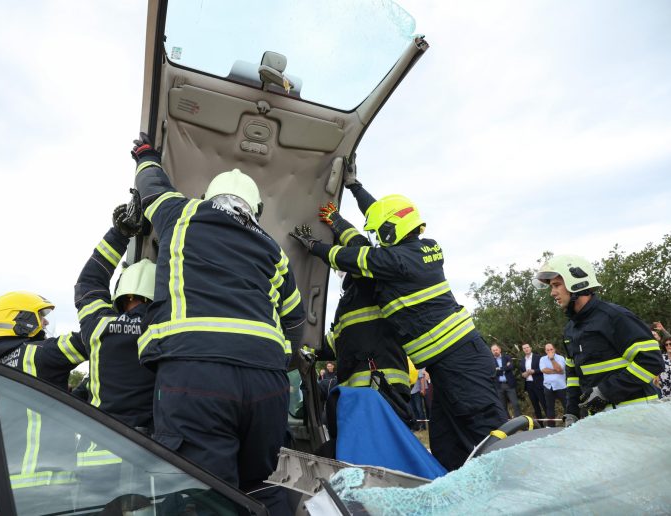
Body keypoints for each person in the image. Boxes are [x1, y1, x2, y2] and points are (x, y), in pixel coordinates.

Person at [131, 133, 305, 515]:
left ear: (210, 197)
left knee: (204, 496)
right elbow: (295, 321)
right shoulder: (273, 250)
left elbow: (151, 185)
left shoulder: (180, 215)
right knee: (261, 486)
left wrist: (146, 155)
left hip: (196, 376)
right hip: (266, 383)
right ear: (254, 210)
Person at [290, 171, 505, 471]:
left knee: (491, 440)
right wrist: (354, 187)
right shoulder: (420, 249)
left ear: (391, 232)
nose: (378, 239)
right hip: (448, 366)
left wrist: (314, 246)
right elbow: (377, 220)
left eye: (381, 234)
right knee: (446, 447)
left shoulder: (393, 262)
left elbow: (350, 256)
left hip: (461, 363)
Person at [0, 292, 89, 514]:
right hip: (41, 490)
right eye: (41, 315)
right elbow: (92, 339)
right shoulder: (39, 355)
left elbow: (48, 408)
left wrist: (84, 388)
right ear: (21, 320)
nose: (46, 321)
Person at [533, 254, 663, 426]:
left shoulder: (614, 317)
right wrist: (572, 412)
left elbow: (652, 361)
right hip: (603, 421)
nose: (552, 293)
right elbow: (573, 375)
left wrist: (605, 392)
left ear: (577, 283)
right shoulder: (570, 329)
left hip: (638, 416)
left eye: (557, 285)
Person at [316, 202, 412, 412]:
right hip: (359, 392)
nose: (337, 270)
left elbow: (360, 249)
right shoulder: (349, 298)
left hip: (383, 388)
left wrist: (337, 223)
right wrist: (307, 349)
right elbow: (336, 343)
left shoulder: (370, 282)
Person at [74, 203, 156, 431]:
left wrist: (119, 235)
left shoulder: (98, 325)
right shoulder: (162, 327)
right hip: (149, 450)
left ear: (121, 293)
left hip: (97, 448)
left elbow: (89, 282)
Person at [539, 343, 567, 426]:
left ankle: (568, 423)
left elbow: (560, 369)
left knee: (566, 405)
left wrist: (552, 360)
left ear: (554, 349)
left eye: (551, 349)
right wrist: (557, 371)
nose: (550, 351)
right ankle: (551, 426)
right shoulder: (542, 359)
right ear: (545, 351)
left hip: (561, 386)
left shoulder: (560, 358)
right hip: (548, 386)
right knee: (549, 407)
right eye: (548, 350)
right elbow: (543, 370)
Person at [518, 343, 546, 424]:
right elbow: (522, 372)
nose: (526, 349)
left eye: (527, 347)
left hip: (538, 384)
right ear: (523, 350)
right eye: (524, 348)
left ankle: (551, 423)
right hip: (529, 385)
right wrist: (523, 374)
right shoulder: (522, 360)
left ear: (530, 348)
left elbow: (543, 369)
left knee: (544, 404)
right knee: (535, 406)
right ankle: (540, 425)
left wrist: (534, 371)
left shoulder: (538, 357)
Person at [491, 344, 521, 418]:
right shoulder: (490, 361)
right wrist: (504, 368)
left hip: (509, 384)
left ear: (500, 349)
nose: (495, 352)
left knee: (515, 404)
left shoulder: (507, 357)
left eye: (496, 350)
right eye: (493, 350)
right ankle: (508, 423)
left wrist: (499, 369)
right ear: (491, 352)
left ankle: (519, 422)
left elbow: (511, 367)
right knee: (503, 406)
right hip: (499, 386)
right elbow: (492, 372)